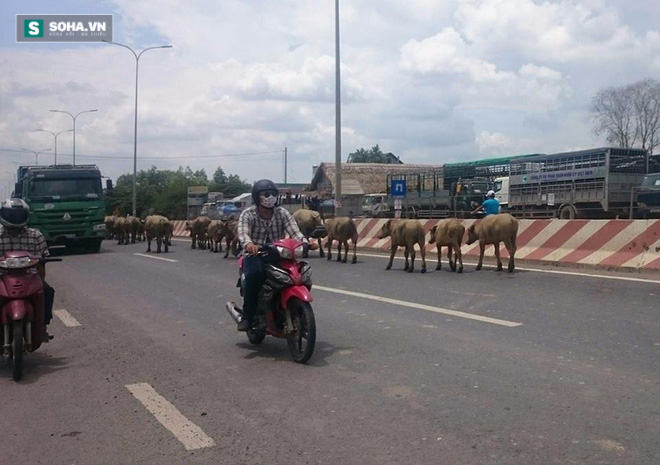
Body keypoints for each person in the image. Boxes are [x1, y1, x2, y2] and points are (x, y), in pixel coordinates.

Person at [236, 180, 317, 331]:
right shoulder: (248, 214)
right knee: (255, 275)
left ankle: (292, 308)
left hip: (279, 253)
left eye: (273, 194)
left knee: (301, 274)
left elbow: (295, 231)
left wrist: (306, 242)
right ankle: (248, 316)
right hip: (255, 255)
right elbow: (243, 233)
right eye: (266, 194)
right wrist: (249, 245)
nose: (270, 197)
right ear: (257, 197)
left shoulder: (282, 213)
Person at [0, 199, 55, 340]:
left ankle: (42, 325)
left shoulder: (35, 235)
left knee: (47, 290)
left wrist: (41, 280)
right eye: (12, 214)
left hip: (29, 278)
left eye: (19, 214)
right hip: (2, 278)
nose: (15, 218)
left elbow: (43, 261)